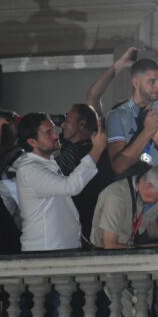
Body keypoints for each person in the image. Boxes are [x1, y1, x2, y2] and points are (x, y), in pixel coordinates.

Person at [105, 58, 158, 232]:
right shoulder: (117, 116)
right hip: (135, 207)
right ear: (135, 82)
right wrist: (146, 132)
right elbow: (119, 166)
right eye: (152, 82)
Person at [14, 112, 106, 251]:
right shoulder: (30, 169)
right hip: (45, 251)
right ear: (32, 142)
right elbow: (71, 187)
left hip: (61, 248)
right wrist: (97, 149)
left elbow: (61, 206)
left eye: (54, 130)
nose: (56, 135)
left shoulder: (47, 162)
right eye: (48, 132)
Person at [54, 103, 112, 240]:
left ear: (82, 125)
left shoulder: (75, 153)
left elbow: (48, 175)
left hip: (80, 228)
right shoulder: (103, 151)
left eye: (67, 121)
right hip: (98, 223)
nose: (62, 125)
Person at [90, 164, 158, 249]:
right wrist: (157, 246)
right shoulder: (117, 197)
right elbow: (110, 245)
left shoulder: (145, 195)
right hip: (104, 257)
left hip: (126, 250)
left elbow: (149, 225)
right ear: (149, 186)